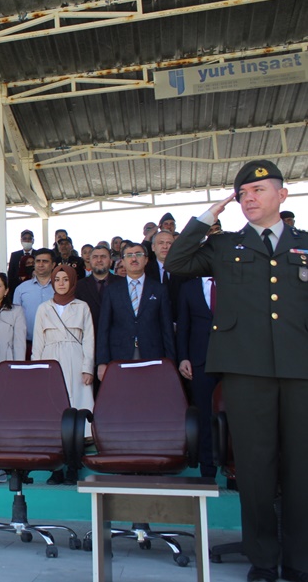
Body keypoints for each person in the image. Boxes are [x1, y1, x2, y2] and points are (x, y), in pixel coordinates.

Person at [166, 160, 308, 582]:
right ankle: (262, 560)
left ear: (282, 195)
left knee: (301, 468)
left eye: (258, 191)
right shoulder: (225, 245)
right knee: (255, 468)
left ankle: (299, 560)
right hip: (246, 370)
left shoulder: (304, 244)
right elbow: (177, 261)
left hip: (300, 369)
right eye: (243, 193)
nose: (249, 198)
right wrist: (207, 216)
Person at [32, 265, 94, 485]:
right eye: (57, 279)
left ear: (72, 281)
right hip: (51, 361)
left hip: (76, 361)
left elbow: (89, 339)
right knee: (53, 415)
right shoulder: (44, 308)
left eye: (65, 279)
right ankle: (55, 468)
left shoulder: (82, 307)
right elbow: (38, 342)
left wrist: (88, 368)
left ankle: (73, 467)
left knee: (76, 414)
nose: (60, 283)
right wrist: (37, 371)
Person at [95, 241, 175, 380]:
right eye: (129, 255)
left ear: (146, 260)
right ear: (123, 261)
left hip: (152, 353)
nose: (134, 258)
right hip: (120, 353)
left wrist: (171, 361)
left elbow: (166, 328)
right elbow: (104, 328)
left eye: (138, 254)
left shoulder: (159, 289)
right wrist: (102, 362)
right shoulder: (112, 291)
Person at [175, 275, 218, 478]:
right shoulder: (188, 287)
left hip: (232, 360)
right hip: (199, 360)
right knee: (204, 416)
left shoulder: (230, 281)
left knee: (235, 417)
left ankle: (235, 469)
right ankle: (207, 470)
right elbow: (183, 325)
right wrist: (183, 357)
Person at [13, 249, 56, 358]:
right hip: (27, 344)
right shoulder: (21, 289)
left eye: (45, 261)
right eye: (38, 261)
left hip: (55, 344)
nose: (40, 264)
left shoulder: (60, 287)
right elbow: (14, 318)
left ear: (53, 265)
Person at [75, 245, 121, 331]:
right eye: (95, 257)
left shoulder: (122, 284)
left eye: (103, 256)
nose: (99, 260)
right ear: (90, 261)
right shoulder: (79, 286)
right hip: (89, 335)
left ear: (111, 261)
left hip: (117, 336)